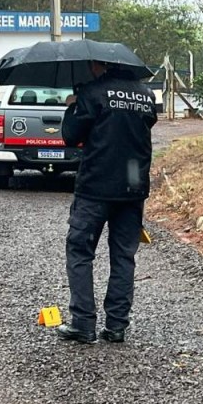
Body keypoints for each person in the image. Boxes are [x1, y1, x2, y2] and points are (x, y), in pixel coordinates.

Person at [56, 60, 158, 344]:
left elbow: (69, 136)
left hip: (96, 187)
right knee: (124, 256)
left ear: (99, 65)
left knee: (80, 251)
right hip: (133, 185)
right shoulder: (145, 95)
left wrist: (73, 105)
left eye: (92, 66)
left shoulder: (93, 92)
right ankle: (116, 326)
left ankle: (83, 324)